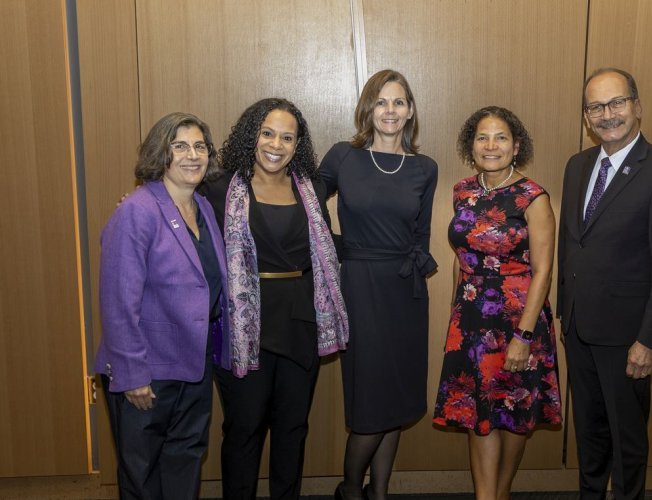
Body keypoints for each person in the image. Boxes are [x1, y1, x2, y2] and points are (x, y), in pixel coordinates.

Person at [557, 68, 652, 499]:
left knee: (627, 440)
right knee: (589, 434)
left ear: (637, 106)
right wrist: (566, 310)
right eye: (595, 107)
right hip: (579, 325)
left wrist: (649, 340)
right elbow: (571, 243)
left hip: (627, 336)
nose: (607, 114)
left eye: (616, 103)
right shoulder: (578, 166)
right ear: (586, 116)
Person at [203, 98, 348, 500]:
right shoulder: (218, 189)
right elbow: (178, 213)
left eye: (287, 137)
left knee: (292, 428)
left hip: (300, 321)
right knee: (244, 429)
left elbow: (326, 248)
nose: (276, 144)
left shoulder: (312, 189)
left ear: (297, 144)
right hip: (243, 327)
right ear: (252, 135)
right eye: (268, 133)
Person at [95, 112, 228, 499]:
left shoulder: (202, 207)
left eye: (200, 146)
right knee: (143, 475)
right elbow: (118, 302)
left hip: (193, 363)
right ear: (161, 153)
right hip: (147, 371)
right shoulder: (137, 211)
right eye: (180, 146)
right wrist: (132, 374)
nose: (193, 155)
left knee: (185, 459)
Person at [319, 69, 438, 500]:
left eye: (399, 102)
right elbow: (306, 209)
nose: (391, 110)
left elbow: (421, 236)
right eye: (382, 102)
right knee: (371, 402)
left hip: (406, 293)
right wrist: (343, 247)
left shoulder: (425, 167)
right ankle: (350, 490)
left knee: (399, 399)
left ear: (410, 112)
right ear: (368, 109)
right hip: (360, 288)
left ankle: (379, 492)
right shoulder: (342, 157)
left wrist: (417, 276)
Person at [433, 106, 562, 500]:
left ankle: (500, 493)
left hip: (518, 317)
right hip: (471, 318)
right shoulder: (463, 191)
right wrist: (455, 323)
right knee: (479, 414)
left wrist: (524, 335)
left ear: (516, 145)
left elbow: (543, 271)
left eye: (501, 137)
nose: (492, 145)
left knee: (515, 411)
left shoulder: (532, 197)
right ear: (471, 146)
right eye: (483, 137)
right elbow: (463, 259)